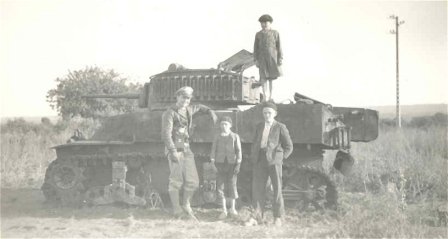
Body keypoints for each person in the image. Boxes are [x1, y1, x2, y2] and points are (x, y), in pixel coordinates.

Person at [161, 86, 217, 220]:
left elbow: (199, 107)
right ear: (177, 96)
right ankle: (176, 210)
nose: (186, 100)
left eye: (188, 98)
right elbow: (166, 134)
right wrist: (172, 151)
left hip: (186, 147)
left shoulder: (188, 109)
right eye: (183, 97)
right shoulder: (170, 113)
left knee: (193, 181)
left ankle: (186, 204)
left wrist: (211, 111)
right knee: (176, 180)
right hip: (175, 148)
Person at [246, 102, 293, 227]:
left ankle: (277, 217)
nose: (267, 115)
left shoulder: (280, 127)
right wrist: (253, 154)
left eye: (269, 113)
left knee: (277, 189)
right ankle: (256, 217)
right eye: (265, 113)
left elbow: (289, 146)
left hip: (274, 161)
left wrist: (280, 159)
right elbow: (255, 142)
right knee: (257, 189)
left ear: (275, 114)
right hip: (259, 160)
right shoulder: (259, 126)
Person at [210, 116, 242, 219]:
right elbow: (213, 150)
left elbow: (238, 151)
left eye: (226, 124)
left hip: (231, 164)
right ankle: (224, 210)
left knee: (232, 185)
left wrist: (238, 164)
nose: (224, 126)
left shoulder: (235, 136)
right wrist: (213, 163)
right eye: (222, 124)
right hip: (220, 164)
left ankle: (232, 209)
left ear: (230, 125)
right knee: (220, 186)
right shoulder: (217, 136)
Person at [253, 14, 283, 102]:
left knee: (272, 78)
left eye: (265, 22)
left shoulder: (275, 33)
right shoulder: (258, 34)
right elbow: (255, 48)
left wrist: (280, 58)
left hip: (272, 58)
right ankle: (265, 97)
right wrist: (256, 60)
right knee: (263, 78)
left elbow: (279, 46)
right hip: (262, 59)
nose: (263, 24)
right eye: (262, 23)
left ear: (270, 23)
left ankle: (271, 97)